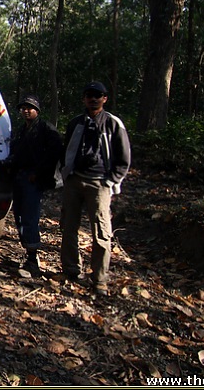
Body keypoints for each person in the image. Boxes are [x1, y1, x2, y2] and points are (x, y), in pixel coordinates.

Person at [59, 81, 131, 296]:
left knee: (101, 232)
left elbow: (124, 157)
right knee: (68, 226)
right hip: (74, 181)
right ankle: (71, 269)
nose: (93, 99)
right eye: (89, 95)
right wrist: (65, 172)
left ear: (104, 99)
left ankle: (99, 278)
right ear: (84, 99)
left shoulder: (113, 123)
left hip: (99, 183)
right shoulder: (76, 122)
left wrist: (110, 181)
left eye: (98, 96)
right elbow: (67, 148)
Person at [7, 94, 63, 277]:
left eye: (29, 108)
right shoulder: (22, 130)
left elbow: (55, 153)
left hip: (33, 179)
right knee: (19, 216)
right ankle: (28, 252)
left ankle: (32, 259)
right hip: (19, 177)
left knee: (30, 216)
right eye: (23, 108)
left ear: (37, 111)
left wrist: (38, 174)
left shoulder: (46, 129)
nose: (25, 111)